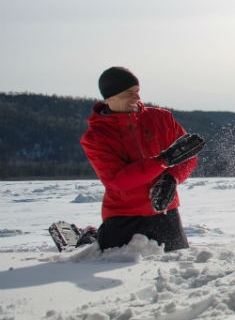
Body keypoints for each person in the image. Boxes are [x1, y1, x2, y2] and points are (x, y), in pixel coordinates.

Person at [80, 66, 205, 252]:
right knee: (106, 255)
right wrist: (162, 161)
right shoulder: (95, 137)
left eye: (137, 91)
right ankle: (89, 238)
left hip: (163, 210)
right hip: (123, 215)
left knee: (176, 255)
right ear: (110, 97)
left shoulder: (162, 119)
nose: (137, 98)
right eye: (129, 93)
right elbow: (117, 180)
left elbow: (188, 157)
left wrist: (172, 179)